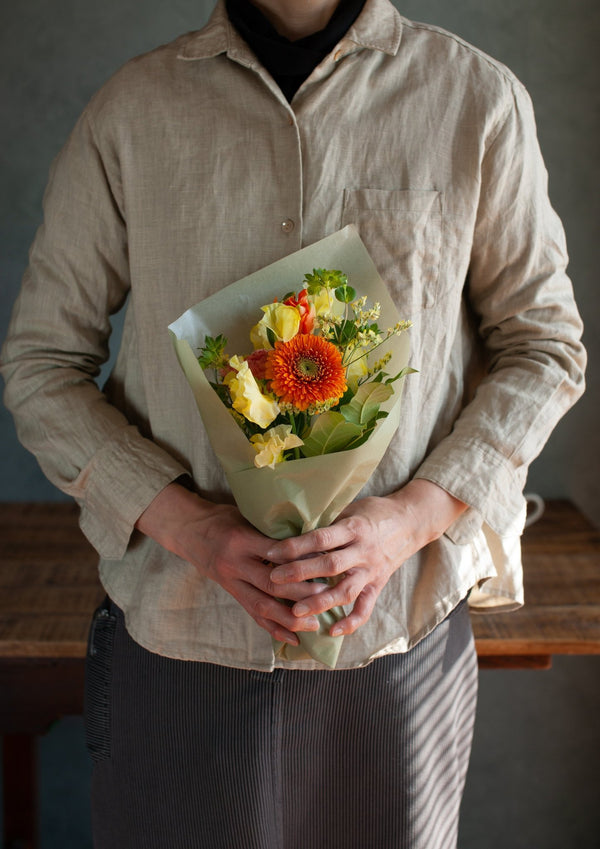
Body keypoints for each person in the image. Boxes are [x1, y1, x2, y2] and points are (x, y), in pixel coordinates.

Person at [0, 0, 586, 846]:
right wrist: (192, 528)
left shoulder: (475, 99)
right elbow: (40, 363)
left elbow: (544, 346)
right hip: (178, 633)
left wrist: (407, 519)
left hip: (398, 641)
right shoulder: (133, 109)